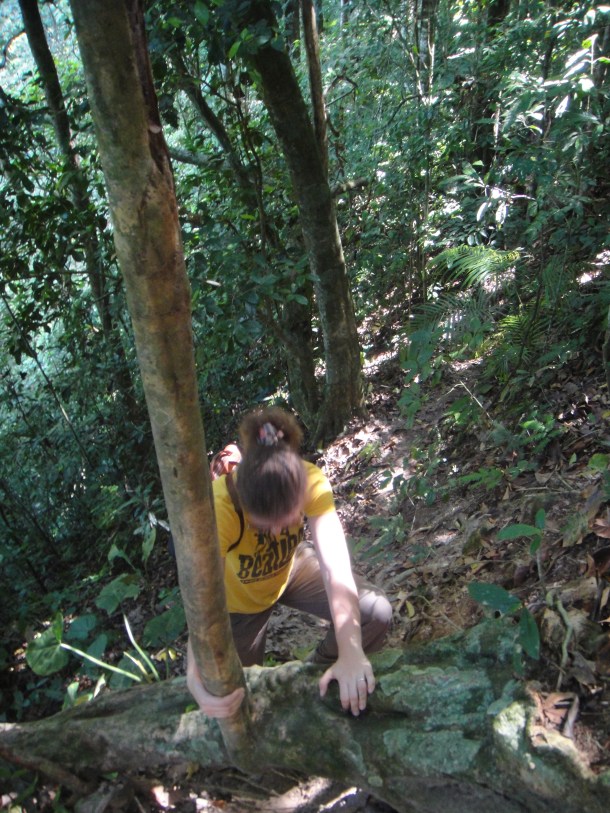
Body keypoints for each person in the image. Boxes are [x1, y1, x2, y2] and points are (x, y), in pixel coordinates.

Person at [186, 407, 392, 718]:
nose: (280, 532)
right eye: (267, 525)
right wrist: (194, 676)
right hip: (236, 603)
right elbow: (200, 602)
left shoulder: (309, 479)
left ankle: (314, 677)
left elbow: (336, 568)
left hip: (291, 570)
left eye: (289, 520)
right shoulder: (217, 509)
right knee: (242, 699)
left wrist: (350, 652)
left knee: (376, 613)